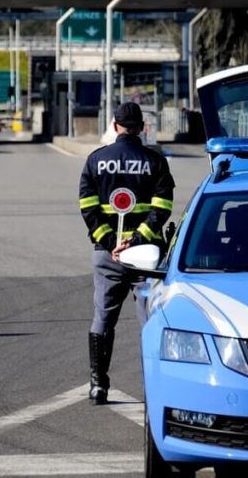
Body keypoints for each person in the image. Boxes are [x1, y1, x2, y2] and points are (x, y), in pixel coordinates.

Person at [78, 102, 175, 404]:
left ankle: (98, 385)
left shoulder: (96, 160)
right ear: (143, 128)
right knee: (151, 323)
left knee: (102, 320)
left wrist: (112, 244)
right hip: (147, 258)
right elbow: (162, 209)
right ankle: (154, 389)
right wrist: (137, 240)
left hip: (108, 256)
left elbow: (88, 208)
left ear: (114, 126)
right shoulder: (155, 161)